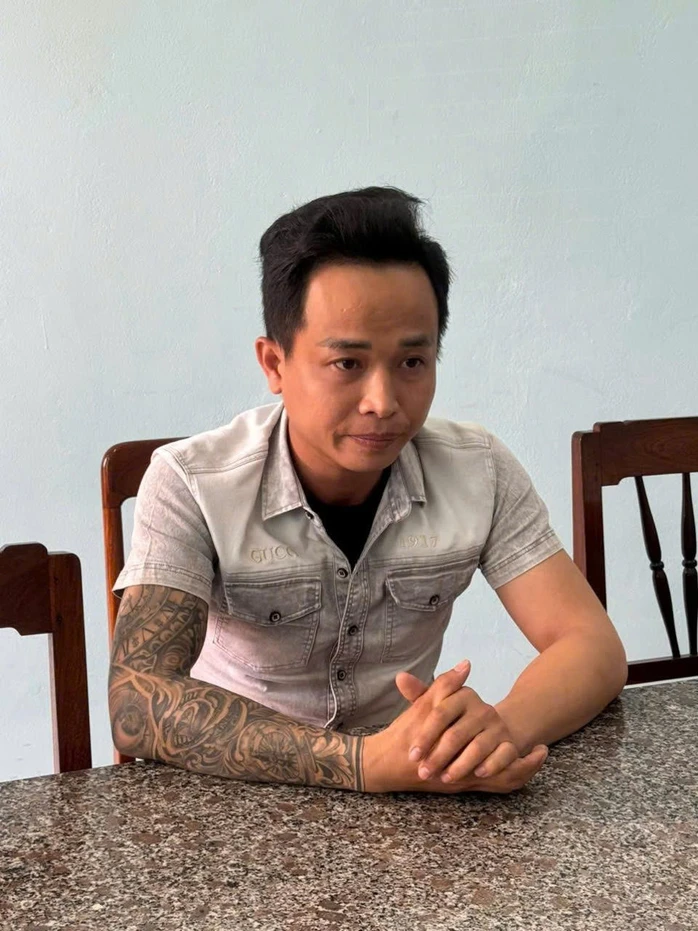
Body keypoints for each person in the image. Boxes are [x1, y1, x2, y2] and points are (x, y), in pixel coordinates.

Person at [109, 187, 627, 795]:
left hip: (413, 790)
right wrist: (361, 763)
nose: (382, 402)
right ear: (274, 364)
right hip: (238, 796)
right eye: (347, 364)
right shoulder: (191, 482)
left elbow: (591, 645)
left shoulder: (479, 469)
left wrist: (490, 736)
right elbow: (138, 702)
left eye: (412, 363)